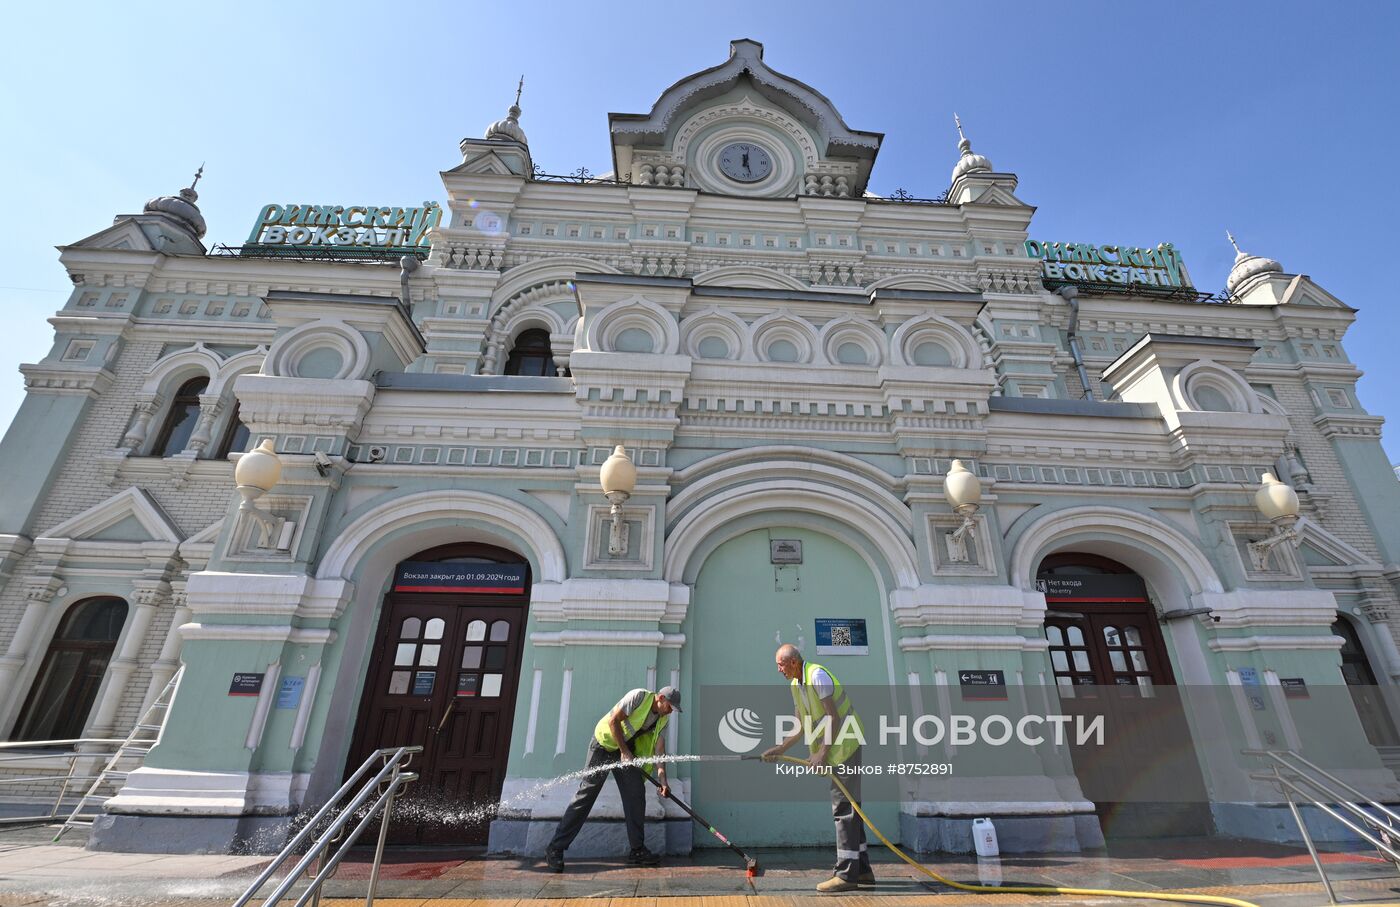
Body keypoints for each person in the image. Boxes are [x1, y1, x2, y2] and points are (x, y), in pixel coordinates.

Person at [763, 644, 873, 893]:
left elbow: (833, 716)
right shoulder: (796, 685)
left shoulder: (817, 676)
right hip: (835, 750)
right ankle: (862, 870)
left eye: (780, 664)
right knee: (851, 806)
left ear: (793, 662)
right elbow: (800, 724)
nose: (778, 669)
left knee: (844, 807)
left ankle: (846, 875)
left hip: (846, 745)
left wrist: (821, 753)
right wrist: (780, 749)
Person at [544, 684, 682, 872]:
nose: (670, 712)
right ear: (661, 699)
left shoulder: (662, 720)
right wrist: (624, 752)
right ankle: (555, 848)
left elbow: (659, 751)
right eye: (670, 707)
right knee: (586, 795)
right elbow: (613, 721)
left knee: (636, 793)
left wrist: (663, 780)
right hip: (603, 745)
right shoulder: (638, 697)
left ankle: (637, 850)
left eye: (673, 710)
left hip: (624, 751)